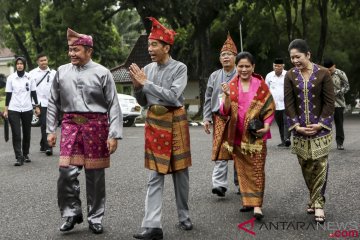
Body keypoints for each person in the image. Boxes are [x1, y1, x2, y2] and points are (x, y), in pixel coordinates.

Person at [46, 28, 123, 234]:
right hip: (70, 125)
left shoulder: (102, 73)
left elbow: (113, 105)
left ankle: (95, 217)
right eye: (70, 50)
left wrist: (114, 134)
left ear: (89, 50)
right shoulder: (61, 72)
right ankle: (71, 213)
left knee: (95, 174)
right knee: (66, 172)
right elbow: (53, 101)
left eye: (76, 50)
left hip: (96, 126)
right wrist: (50, 130)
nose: (72, 54)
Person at [130, 17, 192, 240]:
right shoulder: (147, 69)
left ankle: (184, 216)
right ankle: (152, 226)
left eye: (154, 45)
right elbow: (144, 101)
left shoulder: (179, 68)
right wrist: (138, 87)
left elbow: (175, 97)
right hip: (155, 124)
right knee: (155, 174)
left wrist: (147, 83)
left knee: (180, 172)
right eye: (149, 44)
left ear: (167, 47)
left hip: (175, 122)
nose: (150, 49)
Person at [220, 52, 275, 220]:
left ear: (253, 67)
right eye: (240, 66)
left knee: (257, 169)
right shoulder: (230, 86)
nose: (244, 69)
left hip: (256, 136)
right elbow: (224, 111)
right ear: (236, 67)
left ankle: (257, 205)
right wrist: (227, 97)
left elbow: (269, 107)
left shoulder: (261, 85)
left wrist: (266, 126)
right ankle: (247, 201)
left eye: (247, 66)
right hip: (237, 137)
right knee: (242, 170)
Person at [284, 39, 334, 224]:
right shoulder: (290, 75)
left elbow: (329, 102)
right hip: (299, 130)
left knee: (320, 165)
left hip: (320, 130)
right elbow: (288, 103)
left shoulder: (323, 73)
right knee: (306, 166)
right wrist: (296, 126)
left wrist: (321, 124)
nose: (295, 60)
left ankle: (319, 204)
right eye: (292, 57)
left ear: (308, 55)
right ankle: (313, 198)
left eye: (298, 56)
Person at [203, 33, 239, 197]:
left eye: (229, 55)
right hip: (219, 118)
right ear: (220, 58)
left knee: (240, 151)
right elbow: (208, 97)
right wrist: (206, 118)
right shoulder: (214, 76)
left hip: (239, 118)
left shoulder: (242, 73)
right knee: (220, 150)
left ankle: (241, 184)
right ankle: (219, 185)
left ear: (235, 57)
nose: (226, 57)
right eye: (223, 55)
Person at [3, 56, 40, 166]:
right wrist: (6, 109)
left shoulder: (30, 77)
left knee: (27, 133)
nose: (19, 65)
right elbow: (8, 94)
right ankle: (19, 157)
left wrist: (37, 106)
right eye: (17, 63)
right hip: (14, 109)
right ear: (16, 65)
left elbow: (33, 92)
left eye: (21, 63)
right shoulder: (11, 78)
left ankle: (25, 154)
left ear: (24, 65)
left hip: (27, 108)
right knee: (16, 134)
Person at [29, 53, 56, 156]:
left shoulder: (53, 73)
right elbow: (30, 90)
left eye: (45, 60)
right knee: (45, 123)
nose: (44, 62)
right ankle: (49, 147)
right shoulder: (32, 74)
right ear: (37, 62)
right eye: (41, 61)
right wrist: (34, 105)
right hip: (39, 103)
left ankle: (43, 143)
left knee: (49, 124)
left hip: (51, 102)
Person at [323, 58, 349, 150]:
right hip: (326, 103)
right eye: (327, 70)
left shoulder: (340, 73)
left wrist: (338, 92)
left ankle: (340, 143)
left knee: (339, 124)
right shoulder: (322, 73)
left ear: (334, 66)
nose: (329, 71)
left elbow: (347, 86)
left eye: (330, 69)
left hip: (339, 103)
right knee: (325, 123)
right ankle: (325, 143)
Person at [265, 58, 291, 147]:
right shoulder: (269, 76)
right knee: (279, 123)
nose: (277, 67)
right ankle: (283, 140)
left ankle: (287, 138)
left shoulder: (288, 75)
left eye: (279, 66)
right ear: (273, 66)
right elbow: (266, 89)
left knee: (286, 121)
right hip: (274, 104)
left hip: (286, 102)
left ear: (283, 66)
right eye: (275, 66)